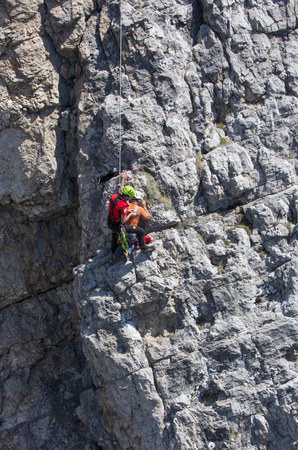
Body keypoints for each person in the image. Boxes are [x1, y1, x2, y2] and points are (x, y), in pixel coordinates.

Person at [107, 174, 153, 255]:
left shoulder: (115, 197)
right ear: (139, 200)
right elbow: (148, 218)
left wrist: (122, 180)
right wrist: (144, 207)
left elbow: (121, 191)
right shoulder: (136, 208)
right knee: (136, 236)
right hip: (123, 228)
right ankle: (134, 250)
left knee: (115, 234)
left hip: (111, 222)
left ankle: (113, 254)